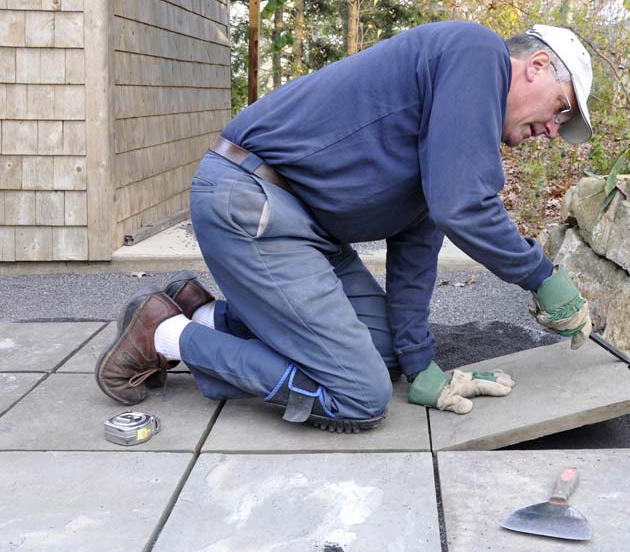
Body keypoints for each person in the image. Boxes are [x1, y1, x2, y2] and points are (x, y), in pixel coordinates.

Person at [96, 21, 594, 433]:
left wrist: (420, 366)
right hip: (251, 201)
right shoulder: (476, 51)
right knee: (358, 394)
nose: (553, 130)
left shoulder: (446, 131)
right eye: (561, 109)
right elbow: (463, 207)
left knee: (387, 351)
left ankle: (204, 317)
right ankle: (164, 334)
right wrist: (541, 276)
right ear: (538, 66)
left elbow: (419, 248)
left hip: (303, 227)